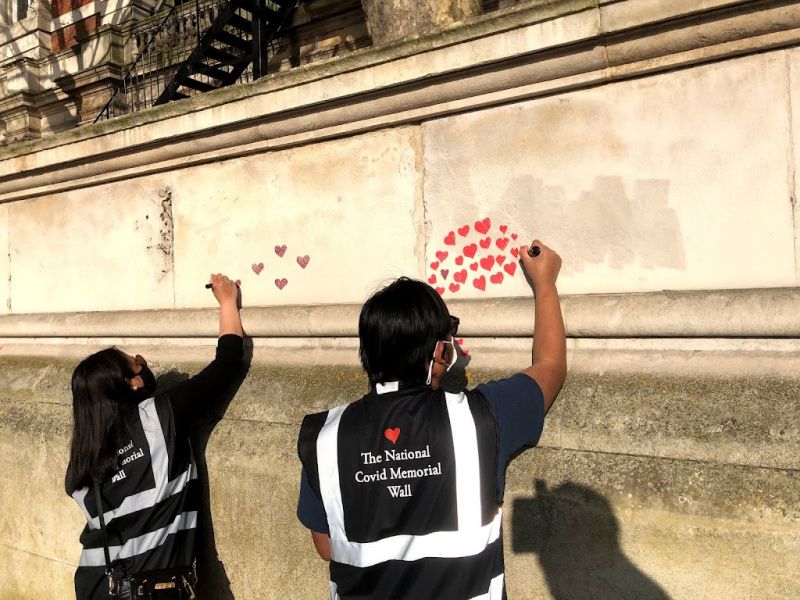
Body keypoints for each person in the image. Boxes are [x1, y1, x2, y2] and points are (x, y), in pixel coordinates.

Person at [296, 239, 566, 599]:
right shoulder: (482, 418)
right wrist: (545, 283)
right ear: (441, 352)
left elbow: (327, 547)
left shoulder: (322, 437)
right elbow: (550, 367)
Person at [65, 274, 244, 599]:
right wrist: (228, 302)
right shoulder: (160, 418)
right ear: (130, 384)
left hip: (96, 587)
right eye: (137, 363)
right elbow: (227, 363)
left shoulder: (82, 460)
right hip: (151, 590)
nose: (143, 364)